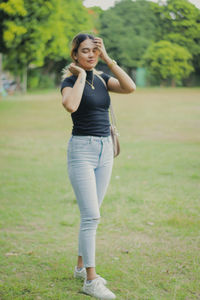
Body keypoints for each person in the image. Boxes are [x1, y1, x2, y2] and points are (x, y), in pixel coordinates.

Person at [61, 33, 136, 299]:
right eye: (85, 51)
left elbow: (130, 87)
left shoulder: (104, 78)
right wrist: (81, 76)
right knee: (92, 216)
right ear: (75, 56)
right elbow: (70, 105)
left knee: (91, 214)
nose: (91, 55)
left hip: (105, 149)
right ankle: (91, 281)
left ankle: (81, 267)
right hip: (82, 151)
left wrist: (108, 59)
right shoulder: (70, 81)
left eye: (95, 50)